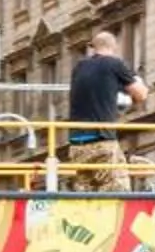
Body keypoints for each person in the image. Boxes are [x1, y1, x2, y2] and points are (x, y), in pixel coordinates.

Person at [63, 31, 147, 190]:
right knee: (119, 190)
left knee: (86, 193)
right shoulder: (114, 63)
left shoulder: (79, 67)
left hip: (76, 144)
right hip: (101, 140)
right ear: (113, 47)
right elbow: (141, 94)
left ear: (93, 48)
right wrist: (134, 77)